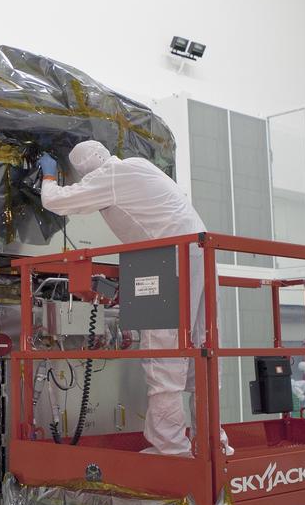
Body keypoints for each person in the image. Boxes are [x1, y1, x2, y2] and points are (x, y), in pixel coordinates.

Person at [38, 141, 231, 457]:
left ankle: (171, 449)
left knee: (162, 354)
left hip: (162, 259)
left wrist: (48, 176)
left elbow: (56, 202)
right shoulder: (139, 165)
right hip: (201, 254)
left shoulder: (108, 176)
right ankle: (212, 444)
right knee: (203, 348)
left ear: (85, 169)